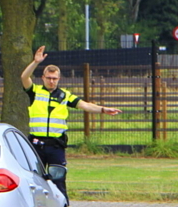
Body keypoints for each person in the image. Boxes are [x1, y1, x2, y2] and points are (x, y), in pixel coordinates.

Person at [20, 46, 121, 198]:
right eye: (49, 78)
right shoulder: (35, 91)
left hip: (56, 145)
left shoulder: (64, 95)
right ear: (43, 78)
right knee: (34, 180)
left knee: (58, 179)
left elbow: (85, 105)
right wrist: (35, 62)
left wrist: (102, 109)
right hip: (36, 144)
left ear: (59, 79)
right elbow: (24, 77)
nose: (52, 81)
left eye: (54, 79)